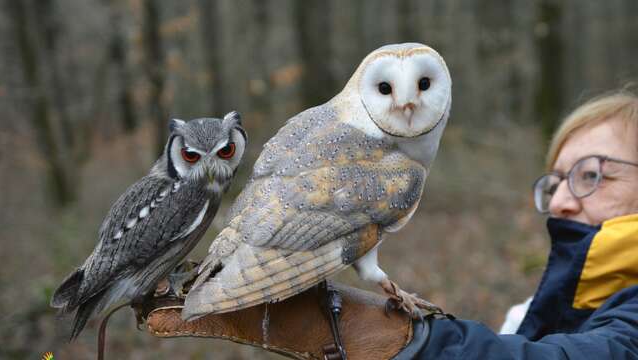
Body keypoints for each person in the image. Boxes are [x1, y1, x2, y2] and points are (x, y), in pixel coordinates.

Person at [140, 89, 638, 359]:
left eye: (591, 175)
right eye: (554, 184)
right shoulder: (529, 313)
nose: (563, 202)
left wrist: (415, 343)